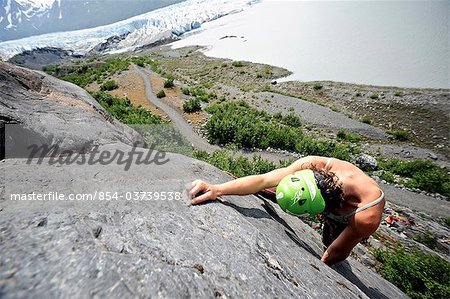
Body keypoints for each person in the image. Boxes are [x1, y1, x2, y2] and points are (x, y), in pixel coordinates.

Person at [189, 155, 385, 266]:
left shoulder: (366, 215)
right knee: (272, 191)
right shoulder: (314, 165)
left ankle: (329, 225)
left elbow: (337, 252)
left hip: (348, 217)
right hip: (329, 198)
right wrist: (217, 189)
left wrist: (317, 270)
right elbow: (265, 180)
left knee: (329, 242)